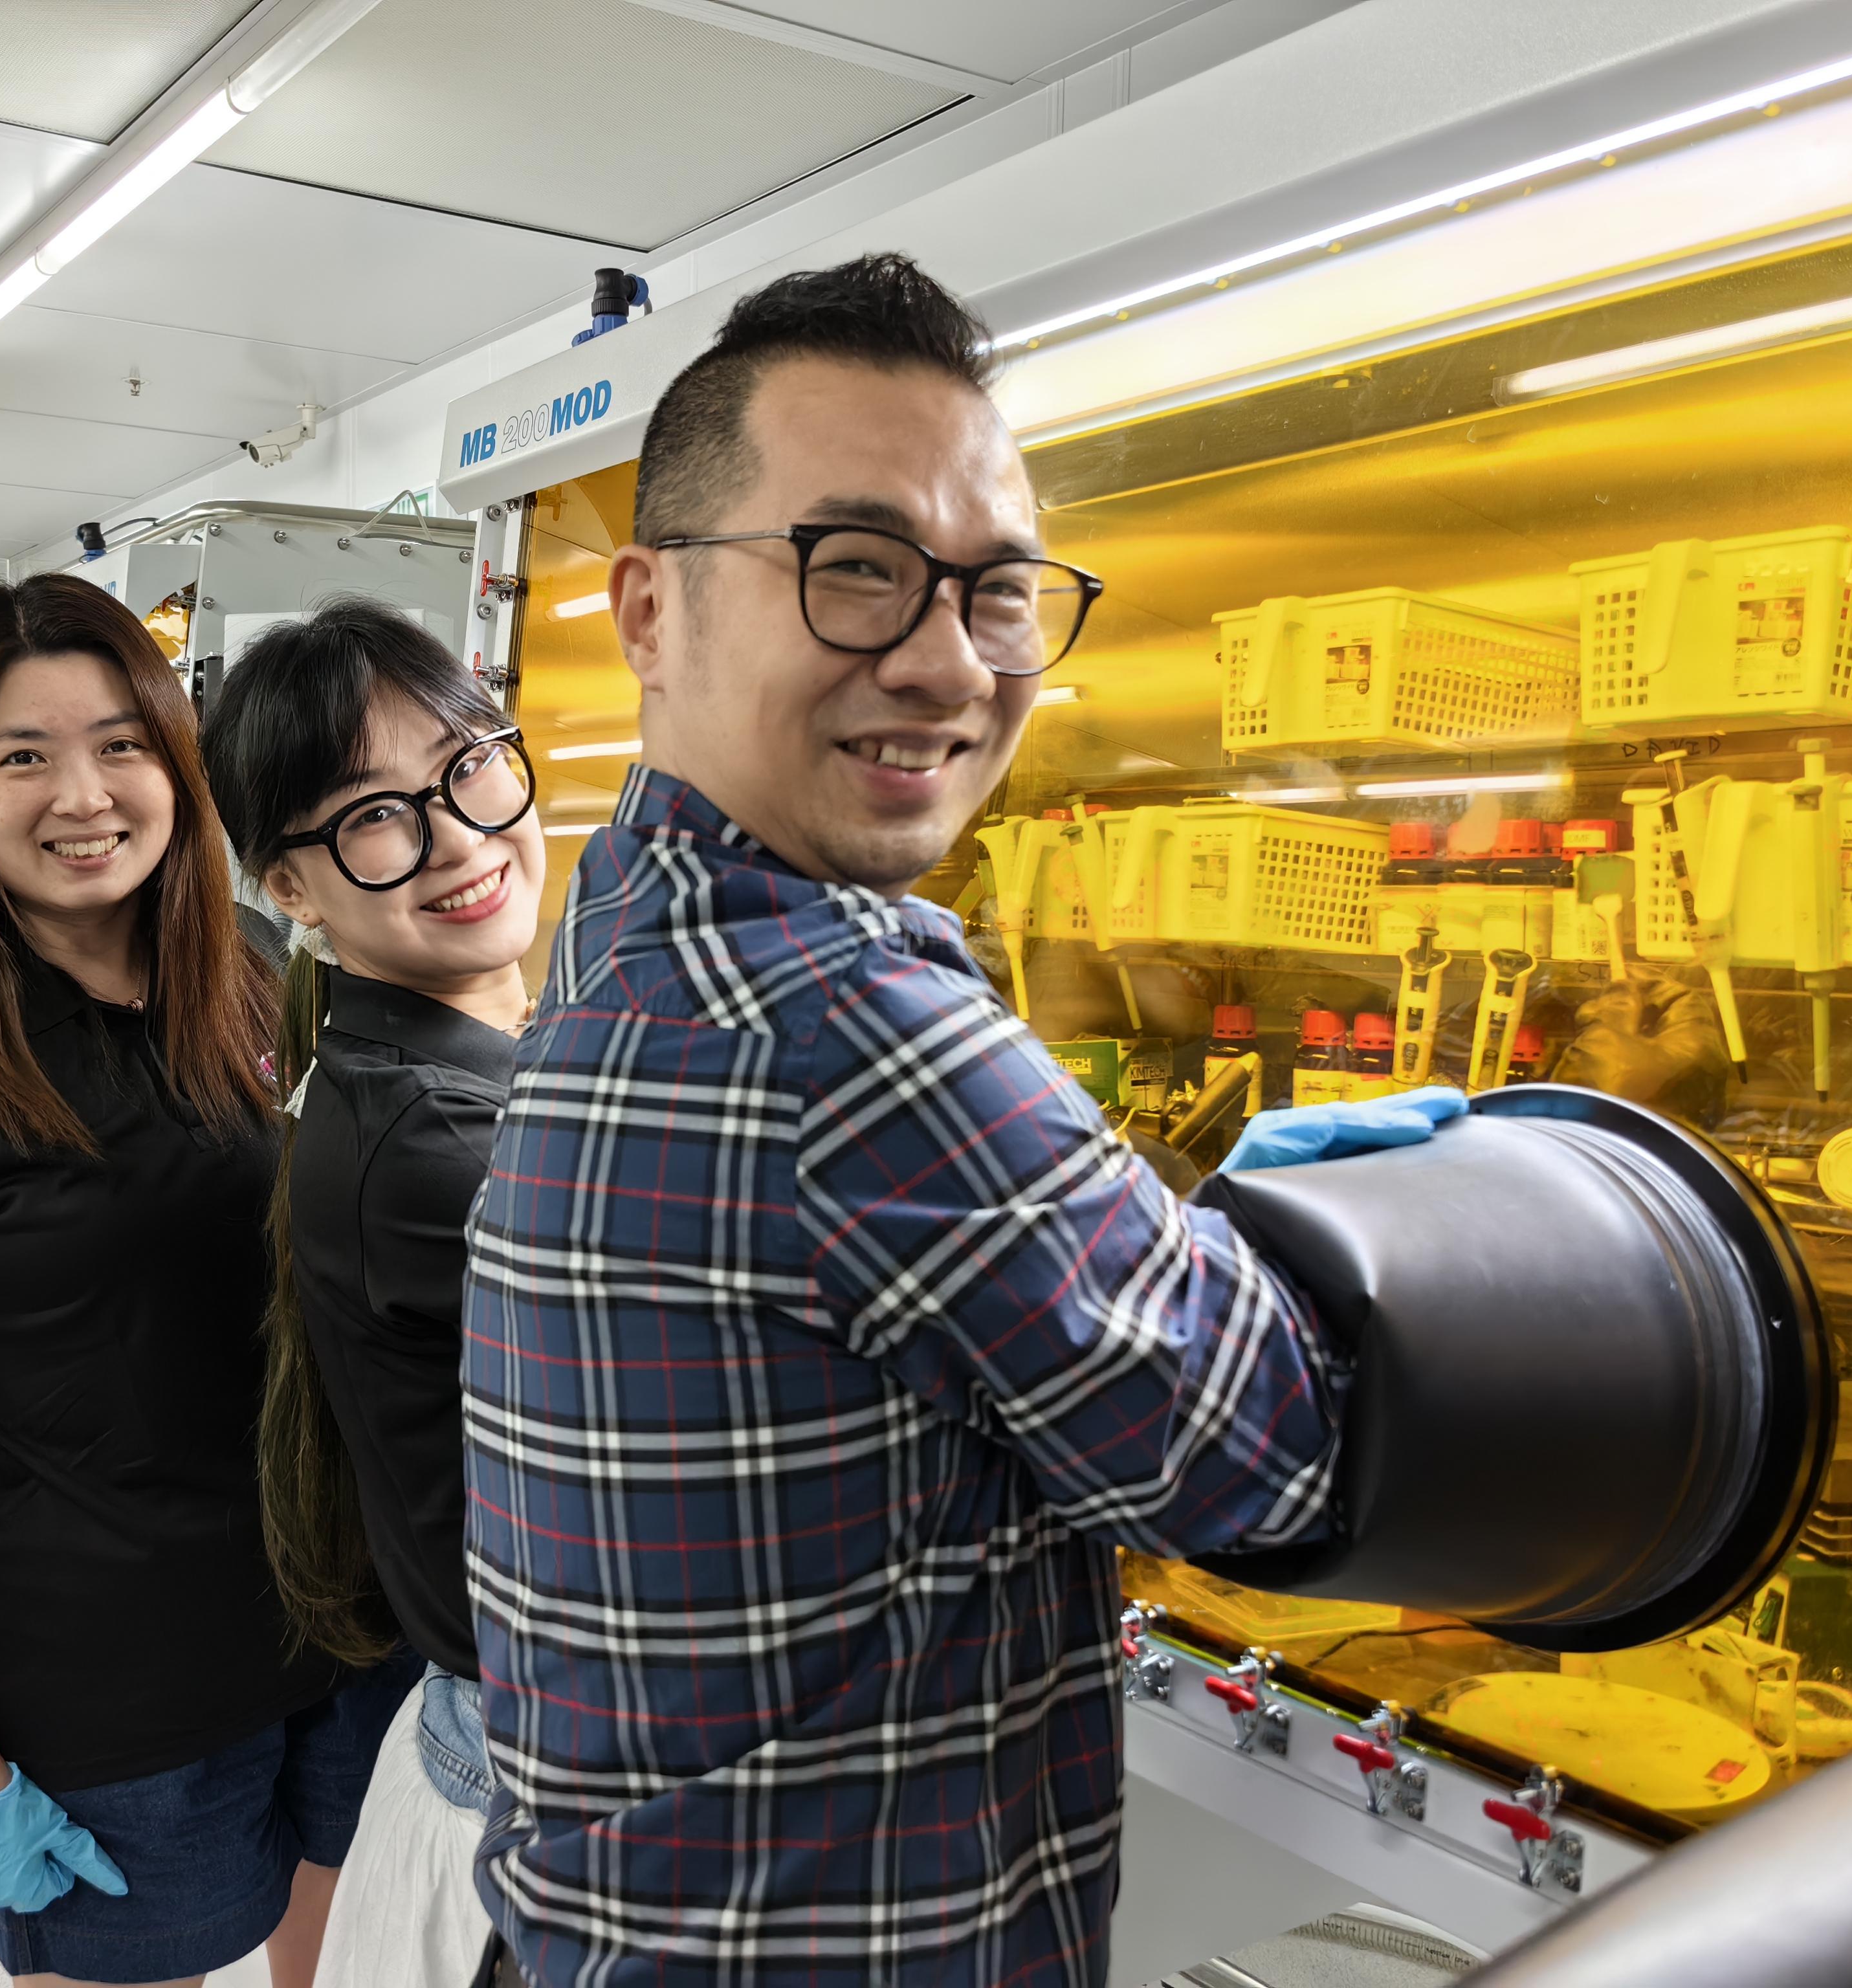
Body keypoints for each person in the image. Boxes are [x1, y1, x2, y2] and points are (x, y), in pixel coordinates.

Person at [460, 253, 1462, 1985]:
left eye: (996, 595)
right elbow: (1260, 1454)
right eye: (854, 571)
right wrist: (1347, 1244)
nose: (943, 664)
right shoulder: (843, 1020)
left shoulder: (621, 929)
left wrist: (1153, 1227)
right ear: (645, 610)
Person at [0, 574, 415, 1988]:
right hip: (113, 1710)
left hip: (348, 1637)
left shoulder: (251, 971)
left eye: (123, 742)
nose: (86, 794)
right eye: (24, 756)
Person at [202, 599, 546, 1988]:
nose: (462, 838)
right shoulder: (440, 1148)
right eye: (376, 819)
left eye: (470, 767)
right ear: (293, 889)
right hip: (540, 1787)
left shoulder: (410, 1067)